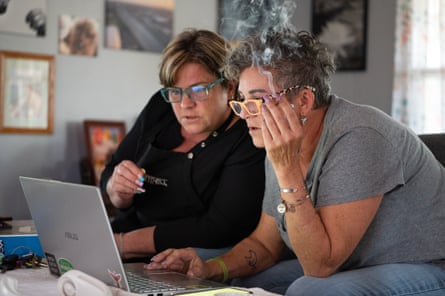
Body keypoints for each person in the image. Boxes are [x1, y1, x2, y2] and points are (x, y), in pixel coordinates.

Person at [145, 29, 445, 295]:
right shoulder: (281, 142)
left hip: (430, 266)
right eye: (243, 100)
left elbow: (320, 265)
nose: (245, 113)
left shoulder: (360, 136)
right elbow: (264, 245)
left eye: (258, 100)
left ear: (304, 100)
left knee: (309, 289)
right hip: (353, 265)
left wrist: (287, 170)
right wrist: (207, 268)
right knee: (241, 286)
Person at [100, 29, 265, 262]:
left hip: (184, 261)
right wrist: (117, 192)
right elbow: (111, 171)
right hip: (120, 241)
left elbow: (221, 228)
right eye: (175, 92)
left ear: (229, 87)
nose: (185, 104)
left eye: (198, 90)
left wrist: (126, 244)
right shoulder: (161, 105)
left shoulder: (247, 136)